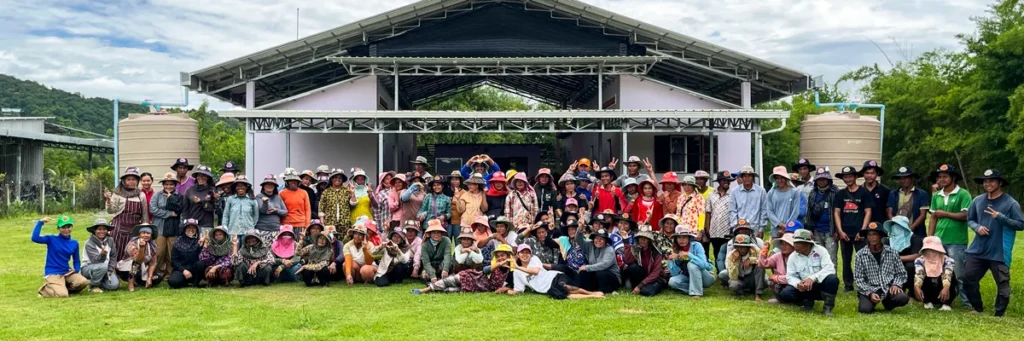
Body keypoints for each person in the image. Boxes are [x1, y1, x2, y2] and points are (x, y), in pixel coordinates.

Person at [963, 169, 1024, 317]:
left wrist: (1001, 217)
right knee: (968, 277)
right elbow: (970, 219)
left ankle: (999, 313)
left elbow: (1020, 224)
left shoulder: (1010, 203)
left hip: (999, 250)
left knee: (1002, 284)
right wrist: (977, 228)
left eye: (991, 180)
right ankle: (977, 308)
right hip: (978, 249)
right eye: (985, 181)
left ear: (1000, 182)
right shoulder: (977, 200)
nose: (987, 183)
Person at [927, 163, 973, 308]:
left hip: (956, 240)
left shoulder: (963, 194)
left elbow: (966, 215)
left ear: (953, 178)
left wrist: (945, 214)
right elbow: (933, 217)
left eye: (945, 177)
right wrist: (930, 239)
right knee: (938, 271)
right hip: (939, 240)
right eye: (939, 177)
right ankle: (942, 298)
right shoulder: (937, 196)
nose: (941, 179)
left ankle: (967, 302)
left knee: (959, 273)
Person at [507, 244, 605, 299]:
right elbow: (519, 289)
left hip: (554, 277)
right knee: (564, 295)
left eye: (527, 253)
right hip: (546, 289)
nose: (525, 255)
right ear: (518, 255)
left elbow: (535, 271)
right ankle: (592, 296)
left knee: (565, 287)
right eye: (522, 253)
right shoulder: (517, 272)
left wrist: (517, 267)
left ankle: (590, 293)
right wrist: (508, 290)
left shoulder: (534, 259)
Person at [851, 222, 909, 313]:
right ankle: (870, 301)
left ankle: (888, 303)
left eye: (875, 234)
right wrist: (869, 293)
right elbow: (858, 279)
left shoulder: (892, 252)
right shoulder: (860, 255)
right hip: (870, 288)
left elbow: (901, 273)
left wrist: (896, 284)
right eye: (869, 235)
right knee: (864, 310)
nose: (871, 237)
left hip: (888, 287)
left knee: (903, 298)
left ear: (881, 236)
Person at [412, 244, 513, 295]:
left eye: (503, 255)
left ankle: (432, 285)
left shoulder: (512, 271)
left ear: (509, 256)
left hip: (479, 288)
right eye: (498, 256)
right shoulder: (495, 265)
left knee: (448, 290)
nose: (500, 258)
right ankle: (423, 290)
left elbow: (513, 287)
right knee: (448, 281)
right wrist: (499, 264)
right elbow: (485, 271)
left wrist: (505, 289)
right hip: (473, 277)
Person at [833, 165, 874, 292]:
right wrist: (840, 231)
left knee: (863, 258)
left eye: (850, 176)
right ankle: (848, 284)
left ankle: (864, 283)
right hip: (845, 232)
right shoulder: (840, 194)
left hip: (860, 232)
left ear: (855, 177)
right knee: (846, 259)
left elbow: (868, 211)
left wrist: (863, 230)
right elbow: (836, 213)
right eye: (845, 177)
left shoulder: (864, 193)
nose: (848, 179)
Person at [779, 229, 838, 316]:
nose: (795, 245)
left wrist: (812, 278)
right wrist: (798, 284)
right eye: (794, 242)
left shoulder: (821, 251)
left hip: (820, 285)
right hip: (804, 287)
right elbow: (790, 276)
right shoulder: (793, 256)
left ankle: (827, 308)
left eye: (798, 243)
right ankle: (806, 302)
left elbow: (829, 268)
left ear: (807, 243)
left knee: (832, 279)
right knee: (786, 293)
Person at [32, 216, 90, 298]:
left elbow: (76, 260)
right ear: (58, 228)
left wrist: (76, 270)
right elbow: (35, 238)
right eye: (63, 227)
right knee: (63, 295)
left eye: (68, 227)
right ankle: (44, 290)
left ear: (72, 227)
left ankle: (62, 287)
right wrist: (40, 222)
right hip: (53, 272)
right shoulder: (51, 239)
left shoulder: (74, 243)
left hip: (66, 272)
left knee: (83, 282)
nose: (66, 230)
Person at [105, 166, 151, 264]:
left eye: (134, 179)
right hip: (118, 225)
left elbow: (144, 213)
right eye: (129, 179)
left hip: (134, 227)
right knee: (115, 247)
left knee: (132, 248)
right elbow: (111, 211)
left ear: (137, 181)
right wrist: (108, 200)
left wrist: (145, 227)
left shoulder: (140, 194)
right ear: (124, 181)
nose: (131, 181)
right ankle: (113, 269)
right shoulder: (117, 193)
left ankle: (127, 270)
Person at [665, 225, 715, 298]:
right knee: (672, 282)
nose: (681, 240)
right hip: (687, 276)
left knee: (691, 264)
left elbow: (704, 265)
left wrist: (689, 255)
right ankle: (696, 289)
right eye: (679, 237)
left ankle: (696, 293)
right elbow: (675, 274)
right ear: (676, 239)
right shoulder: (675, 249)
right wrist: (673, 261)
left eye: (684, 237)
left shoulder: (697, 245)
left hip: (706, 277)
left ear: (689, 238)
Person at [150, 172, 184, 276]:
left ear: (175, 185)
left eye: (171, 184)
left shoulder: (179, 196)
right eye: (166, 184)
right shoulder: (157, 195)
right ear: (163, 184)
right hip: (160, 227)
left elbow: (179, 210)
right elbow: (153, 209)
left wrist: (171, 198)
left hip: (173, 227)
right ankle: (158, 272)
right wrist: (168, 213)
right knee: (159, 252)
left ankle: (170, 273)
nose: (168, 186)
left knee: (171, 252)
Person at [805, 167, 839, 270]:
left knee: (831, 258)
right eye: (819, 179)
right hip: (816, 231)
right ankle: (820, 282)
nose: (822, 181)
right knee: (817, 258)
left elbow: (839, 213)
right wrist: (810, 229)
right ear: (816, 180)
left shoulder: (835, 192)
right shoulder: (813, 193)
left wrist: (837, 230)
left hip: (831, 231)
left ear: (828, 179)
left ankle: (832, 282)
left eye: (824, 179)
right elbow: (809, 212)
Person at [116, 223, 163, 291]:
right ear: (139, 234)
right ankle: (131, 283)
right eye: (143, 233)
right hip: (127, 270)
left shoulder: (152, 246)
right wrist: (142, 247)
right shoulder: (132, 244)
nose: (146, 235)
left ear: (151, 235)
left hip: (142, 270)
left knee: (157, 277)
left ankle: (140, 282)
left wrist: (149, 278)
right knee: (135, 264)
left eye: (148, 233)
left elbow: (153, 263)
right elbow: (138, 260)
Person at [914, 236, 957, 311]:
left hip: (943, 287)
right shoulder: (920, 261)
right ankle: (927, 301)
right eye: (928, 250)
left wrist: (946, 287)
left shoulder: (948, 261)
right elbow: (919, 274)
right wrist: (917, 286)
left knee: (952, 278)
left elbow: (947, 274)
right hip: (929, 289)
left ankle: (946, 303)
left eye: (934, 250)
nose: (931, 252)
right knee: (920, 279)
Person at [574, 227, 621, 294]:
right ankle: (587, 289)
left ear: (606, 241)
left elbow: (604, 264)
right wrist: (580, 229)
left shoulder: (609, 249)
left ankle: (606, 290)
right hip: (596, 275)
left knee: (600, 273)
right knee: (583, 272)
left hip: (612, 278)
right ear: (593, 239)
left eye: (601, 239)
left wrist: (587, 267)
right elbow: (578, 240)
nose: (598, 241)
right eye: (596, 238)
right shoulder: (590, 245)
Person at [883, 216, 923, 293]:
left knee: (910, 266)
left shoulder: (914, 238)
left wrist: (898, 258)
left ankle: (912, 292)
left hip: (909, 264)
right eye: (893, 225)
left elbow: (916, 255)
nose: (894, 227)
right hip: (892, 264)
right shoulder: (888, 240)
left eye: (897, 225)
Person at [623, 227, 666, 296]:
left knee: (647, 291)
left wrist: (640, 285)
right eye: (641, 238)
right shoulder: (636, 248)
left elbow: (656, 273)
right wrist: (626, 242)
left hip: (655, 278)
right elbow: (629, 261)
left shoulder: (656, 253)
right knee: (632, 267)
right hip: (643, 276)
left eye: (645, 238)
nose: (643, 240)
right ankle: (637, 287)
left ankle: (639, 288)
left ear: (649, 240)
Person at [705, 171, 734, 272]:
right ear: (719, 181)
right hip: (714, 229)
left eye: (728, 180)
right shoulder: (711, 195)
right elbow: (708, 212)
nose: (726, 182)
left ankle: (728, 272)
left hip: (727, 229)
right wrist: (707, 227)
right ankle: (719, 272)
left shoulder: (732, 195)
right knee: (716, 252)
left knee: (727, 252)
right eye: (724, 180)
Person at [721, 234, 766, 300]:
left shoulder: (756, 250)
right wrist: (735, 262)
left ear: (748, 247)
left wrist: (751, 260)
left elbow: (764, 262)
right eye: (739, 247)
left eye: (744, 247)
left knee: (763, 273)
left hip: (752, 277)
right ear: (736, 247)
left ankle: (758, 294)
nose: (741, 249)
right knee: (733, 284)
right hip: (739, 278)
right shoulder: (731, 256)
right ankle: (740, 293)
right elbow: (733, 277)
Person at [887, 167, 930, 237]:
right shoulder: (893, 193)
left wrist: (910, 229)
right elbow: (889, 213)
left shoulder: (922, 194)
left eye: (905, 178)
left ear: (912, 178)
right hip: (898, 232)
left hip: (916, 232)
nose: (902, 180)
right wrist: (897, 227)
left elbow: (923, 215)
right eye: (900, 178)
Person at [81, 218, 120, 292]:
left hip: (105, 269)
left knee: (114, 286)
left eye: (104, 229)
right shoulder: (89, 243)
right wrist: (103, 254)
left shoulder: (110, 240)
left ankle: (96, 281)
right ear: (94, 230)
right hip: (88, 268)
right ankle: (93, 286)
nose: (102, 231)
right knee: (103, 266)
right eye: (99, 229)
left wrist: (110, 270)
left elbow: (113, 256)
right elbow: (95, 261)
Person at [729, 166, 768, 234]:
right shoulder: (734, 192)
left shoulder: (761, 191)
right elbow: (732, 211)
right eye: (745, 176)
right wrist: (735, 226)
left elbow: (764, 211)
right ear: (741, 177)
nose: (747, 178)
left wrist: (761, 229)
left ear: (752, 177)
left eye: (749, 176)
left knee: (757, 244)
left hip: (755, 228)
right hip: (739, 228)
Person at [167, 220, 205, 289]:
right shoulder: (178, 241)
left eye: (193, 228)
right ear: (184, 229)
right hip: (182, 270)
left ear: (197, 230)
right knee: (172, 282)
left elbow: (203, 258)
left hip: (195, 270)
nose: (191, 230)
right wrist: (183, 270)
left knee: (201, 264)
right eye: (188, 228)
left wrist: (201, 246)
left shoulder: (199, 241)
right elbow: (174, 261)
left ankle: (195, 283)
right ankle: (185, 281)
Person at [766, 166, 801, 239]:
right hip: (776, 231)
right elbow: (769, 211)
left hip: (790, 230)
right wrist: (780, 224)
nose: (780, 180)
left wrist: (786, 227)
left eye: (782, 177)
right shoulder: (771, 193)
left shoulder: (795, 192)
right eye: (777, 178)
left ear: (786, 178)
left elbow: (795, 212)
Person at [181, 165, 217, 237]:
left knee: (205, 247)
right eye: (199, 175)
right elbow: (185, 209)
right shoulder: (189, 190)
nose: (201, 178)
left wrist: (201, 202)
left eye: (204, 176)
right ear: (196, 177)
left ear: (208, 177)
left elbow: (213, 208)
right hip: (192, 225)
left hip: (206, 225)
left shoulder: (212, 190)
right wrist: (185, 224)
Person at [759, 232, 794, 303]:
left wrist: (777, 278)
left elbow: (794, 278)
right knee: (771, 282)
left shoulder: (798, 257)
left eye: (787, 244)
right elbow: (762, 264)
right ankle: (780, 299)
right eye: (782, 244)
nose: (783, 246)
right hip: (784, 282)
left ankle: (801, 301)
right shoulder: (778, 255)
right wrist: (764, 251)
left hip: (795, 284)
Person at [223, 175, 259, 243]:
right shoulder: (230, 199)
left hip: (248, 232)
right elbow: (226, 215)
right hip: (233, 232)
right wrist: (225, 228)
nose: (240, 188)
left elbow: (256, 216)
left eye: (242, 185)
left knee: (246, 252)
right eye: (238, 186)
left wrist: (250, 226)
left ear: (246, 187)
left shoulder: (252, 200)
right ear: (235, 187)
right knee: (233, 252)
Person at [255, 174, 287, 242]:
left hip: (275, 229)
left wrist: (276, 210)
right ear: (263, 186)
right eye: (267, 184)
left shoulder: (278, 197)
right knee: (263, 250)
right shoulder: (259, 196)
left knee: (274, 250)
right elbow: (262, 210)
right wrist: (265, 202)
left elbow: (285, 212)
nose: (269, 186)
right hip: (262, 229)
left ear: (275, 186)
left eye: (272, 184)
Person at [280, 169, 312, 238]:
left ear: (298, 182)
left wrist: (307, 225)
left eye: (295, 180)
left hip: (300, 224)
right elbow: (280, 209)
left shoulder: (304, 193)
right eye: (291, 180)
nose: (293, 182)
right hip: (286, 224)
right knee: (287, 245)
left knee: (299, 246)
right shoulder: (282, 193)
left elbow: (307, 209)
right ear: (288, 182)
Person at [861, 160, 890, 227]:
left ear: (877, 174)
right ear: (863, 174)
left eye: (872, 173)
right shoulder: (859, 190)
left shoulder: (885, 190)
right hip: (863, 227)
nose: (869, 175)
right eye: (867, 173)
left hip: (881, 227)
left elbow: (888, 210)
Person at [678, 176, 706, 242]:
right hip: (682, 230)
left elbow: (702, 214)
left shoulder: (699, 197)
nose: (686, 187)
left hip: (693, 230)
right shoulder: (680, 198)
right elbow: (678, 214)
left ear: (693, 186)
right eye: (684, 185)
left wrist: (700, 230)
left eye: (689, 185)